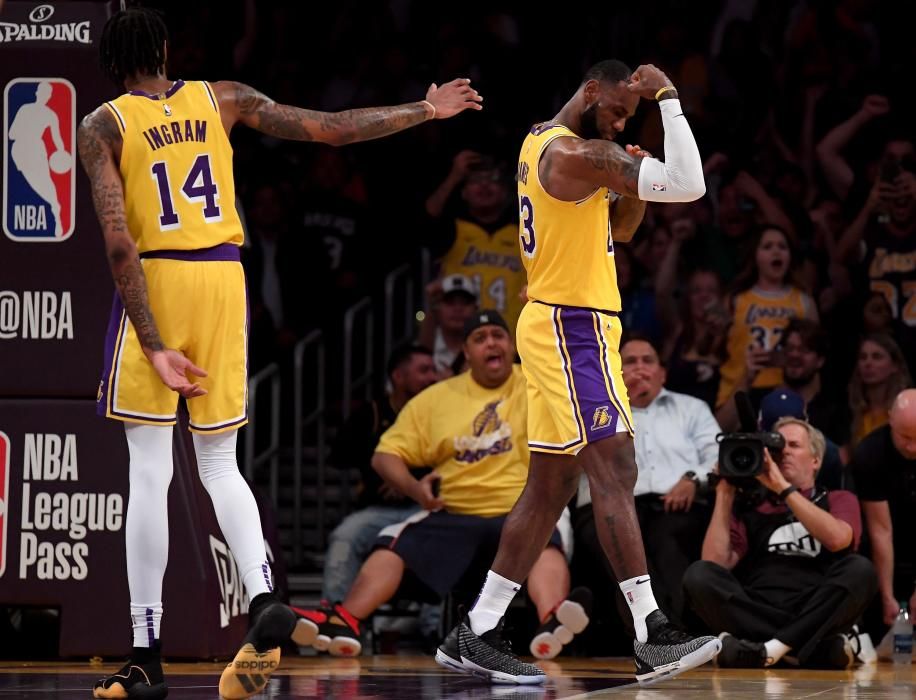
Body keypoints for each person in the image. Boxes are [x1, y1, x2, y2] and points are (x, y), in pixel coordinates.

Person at [77, 8, 481, 700]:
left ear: (111, 64)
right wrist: (426, 108)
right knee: (218, 462)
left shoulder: (103, 125)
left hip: (161, 277)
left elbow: (119, 243)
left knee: (148, 469)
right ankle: (264, 598)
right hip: (224, 278)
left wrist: (150, 340)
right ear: (167, 49)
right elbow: (332, 126)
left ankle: (145, 654)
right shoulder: (223, 97)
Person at [436, 60, 719, 687]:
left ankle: (477, 630)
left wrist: (633, 192)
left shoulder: (545, 142)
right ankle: (651, 632)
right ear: (591, 90)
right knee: (615, 463)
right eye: (618, 109)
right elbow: (690, 184)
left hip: (567, 321)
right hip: (572, 325)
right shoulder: (572, 154)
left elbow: (617, 226)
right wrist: (668, 96)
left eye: (630, 116)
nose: (622, 123)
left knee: (551, 484)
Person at [294, 312, 589, 661]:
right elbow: (384, 456)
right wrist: (416, 491)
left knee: (545, 540)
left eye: (498, 335)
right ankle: (347, 620)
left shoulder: (538, 384)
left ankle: (551, 621)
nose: (491, 342)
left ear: (512, 344)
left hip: (524, 508)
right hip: (455, 512)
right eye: (480, 338)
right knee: (392, 543)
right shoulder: (436, 398)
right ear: (465, 351)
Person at [683, 418, 876, 669]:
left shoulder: (838, 498)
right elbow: (715, 563)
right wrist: (724, 493)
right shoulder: (751, 505)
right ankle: (802, 648)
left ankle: (761, 649)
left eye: (794, 445)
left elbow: (839, 540)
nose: (784, 452)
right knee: (698, 575)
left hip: (815, 604)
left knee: (860, 569)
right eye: (777, 448)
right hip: (757, 607)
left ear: (816, 460)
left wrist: (784, 489)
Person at [575, 336, 719, 628]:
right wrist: (620, 401)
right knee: (624, 540)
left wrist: (694, 479)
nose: (640, 368)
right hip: (606, 506)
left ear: (662, 373)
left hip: (676, 502)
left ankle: (668, 633)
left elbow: (718, 455)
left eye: (648, 360)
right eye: (630, 362)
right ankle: (657, 635)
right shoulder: (597, 411)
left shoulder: (692, 408)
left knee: (669, 541)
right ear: (615, 371)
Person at [320, 345, 437, 605]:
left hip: (424, 510)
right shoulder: (370, 413)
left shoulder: (440, 412)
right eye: (423, 370)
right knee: (344, 537)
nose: (432, 377)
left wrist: (406, 483)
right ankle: (336, 620)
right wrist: (383, 473)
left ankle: (435, 631)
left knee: (447, 545)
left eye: (434, 371)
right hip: (377, 510)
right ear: (399, 376)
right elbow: (338, 457)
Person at [716, 225, 818, 431]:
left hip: (788, 389)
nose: (776, 251)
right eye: (768, 246)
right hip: (741, 386)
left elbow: (816, 353)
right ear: (755, 255)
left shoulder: (803, 302)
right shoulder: (736, 300)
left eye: (782, 246)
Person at [425, 154, 526, 337]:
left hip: (515, 342)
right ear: (463, 192)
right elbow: (426, 218)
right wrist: (454, 176)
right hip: (460, 343)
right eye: (476, 180)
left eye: (492, 180)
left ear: (505, 191)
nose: (484, 185)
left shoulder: (523, 233)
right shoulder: (453, 230)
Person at [852, 390, 916, 637]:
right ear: (890, 419)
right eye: (905, 437)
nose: (912, 447)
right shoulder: (870, 453)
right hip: (887, 548)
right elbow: (881, 530)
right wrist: (887, 594)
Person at [847, 334, 912, 448]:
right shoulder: (850, 410)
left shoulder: (907, 409)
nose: (868, 363)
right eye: (863, 357)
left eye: (877, 357)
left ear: (894, 366)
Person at [418, 273, 480, 377]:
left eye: (465, 302)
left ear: (475, 308)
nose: (458, 309)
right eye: (450, 302)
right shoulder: (424, 347)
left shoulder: (486, 347)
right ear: (437, 308)